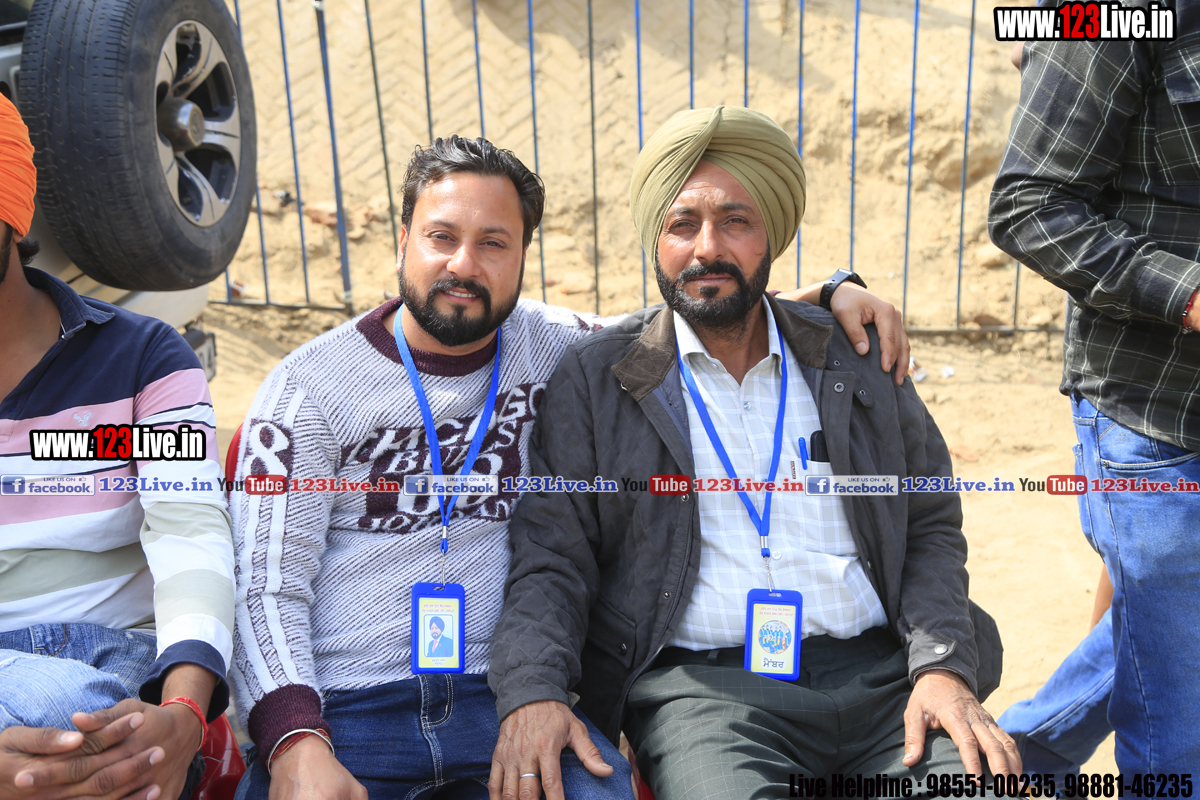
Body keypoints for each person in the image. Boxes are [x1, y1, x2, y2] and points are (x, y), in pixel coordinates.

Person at [229, 133, 914, 800]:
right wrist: (294, 739)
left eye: (493, 243)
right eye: (442, 237)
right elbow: (264, 585)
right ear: (402, 239)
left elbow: (700, 316)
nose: (464, 265)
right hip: (345, 709)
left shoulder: (562, 350)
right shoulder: (308, 390)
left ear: (523, 257)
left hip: (499, 698)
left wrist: (827, 296)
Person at [487, 106, 1019, 800]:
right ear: (655, 240)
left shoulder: (854, 355)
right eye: (682, 225)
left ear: (773, 234)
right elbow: (553, 555)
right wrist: (534, 689)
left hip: (887, 679)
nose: (707, 248)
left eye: (735, 221)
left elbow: (928, 525)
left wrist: (942, 668)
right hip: (707, 698)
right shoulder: (600, 378)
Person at [0, 94, 235, 799]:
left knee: (97, 725)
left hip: (121, 664)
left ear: (11, 211)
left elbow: (190, 531)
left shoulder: (143, 359)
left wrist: (185, 712)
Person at [990, 10, 1200, 770]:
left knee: (1166, 637)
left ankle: (1014, 763)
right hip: (1159, 412)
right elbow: (1029, 206)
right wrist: (1189, 295)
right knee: (1180, 737)